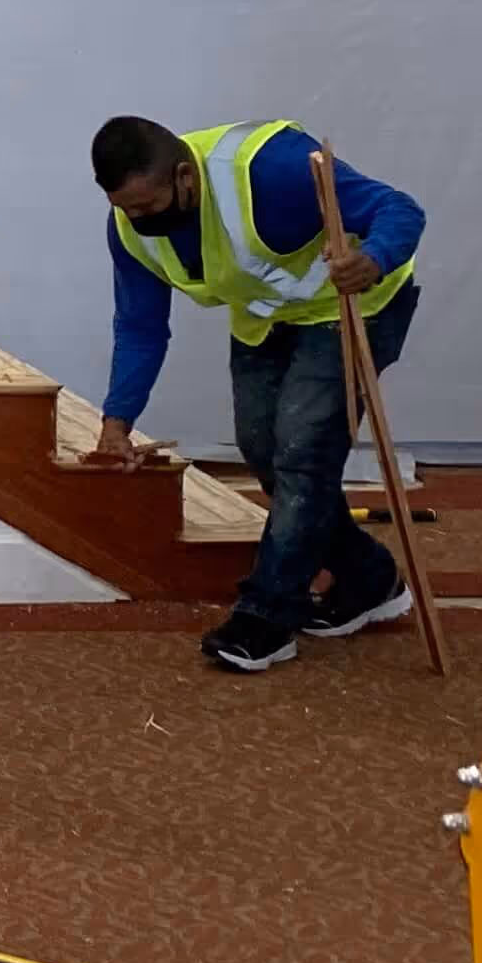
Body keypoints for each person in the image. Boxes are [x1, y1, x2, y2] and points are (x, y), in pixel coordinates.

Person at [82, 113, 424, 674]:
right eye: (125, 209)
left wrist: (373, 258)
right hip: (267, 319)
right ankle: (371, 578)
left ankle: (266, 616)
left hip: (354, 307)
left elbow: (400, 209)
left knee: (303, 453)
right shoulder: (130, 229)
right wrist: (116, 420)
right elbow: (140, 326)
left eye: (147, 205)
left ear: (184, 176)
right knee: (264, 451)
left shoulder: (272, 168)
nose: (139, 220)